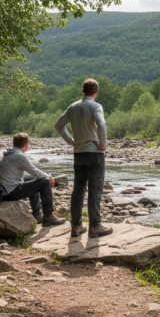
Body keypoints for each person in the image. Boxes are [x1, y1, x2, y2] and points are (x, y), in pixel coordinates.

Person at [55, 78, 113, 238]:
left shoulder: (73, 107)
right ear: (97, 92)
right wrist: (103, 145)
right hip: (94, 153)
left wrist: (70, 141)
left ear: (82, 91)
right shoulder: (96, 106)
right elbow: (101, 124)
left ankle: (76, 226)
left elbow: (58, 125)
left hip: (79, 153)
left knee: (78, 190)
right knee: (95, 189)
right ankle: (95, 227)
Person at [0, 133, 67, 227]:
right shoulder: (19, 156)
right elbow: (35, 172)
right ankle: (48, 217)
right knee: (45, 182)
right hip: (11, 192)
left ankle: (37, 214)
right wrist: (50, 178)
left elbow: (34, 174)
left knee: (32, 178)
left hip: (3, 191)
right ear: (27, 144)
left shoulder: (9, 153)